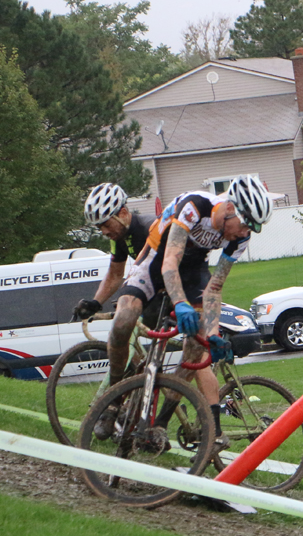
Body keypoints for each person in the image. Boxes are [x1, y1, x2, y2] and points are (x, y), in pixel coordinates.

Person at [94, 174, 273, 447]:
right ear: (229, 209)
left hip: (194, 269)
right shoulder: (195, 206)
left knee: (195, 347)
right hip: (157, 257)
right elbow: (168, 263)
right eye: (246, 223)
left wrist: (212, 334)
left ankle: (162, 423)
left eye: (254, 228)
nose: (246, 232)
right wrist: (179, 303)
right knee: (124, 320)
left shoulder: (240, 238)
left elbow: (214, 288)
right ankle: (113, 403)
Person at [71, 183, 156, 322]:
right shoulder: (118, 237)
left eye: (107, 225)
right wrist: (96, 303)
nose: (104, 232)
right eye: (100, 227)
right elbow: (115, 274)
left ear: (122, 214)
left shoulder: (150, 227)